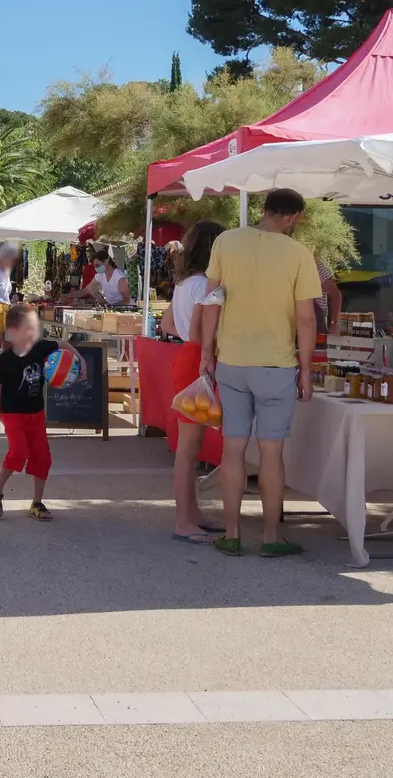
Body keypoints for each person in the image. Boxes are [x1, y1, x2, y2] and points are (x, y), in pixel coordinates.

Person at [197, 188, 319, 558]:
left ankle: (232, 533)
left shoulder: (226, 242)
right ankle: (270, 536)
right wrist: (307, 369)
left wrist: (207, 352)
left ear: (264, 210)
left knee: (232, 449)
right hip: (276, 364)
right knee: (271, 451)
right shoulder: (299, 254)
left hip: (232, 360)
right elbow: (305, 318)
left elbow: (211, 301)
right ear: (293, 217)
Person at [166, 220, 226, 543]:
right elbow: (199, 324)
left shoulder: (185, 283)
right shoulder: (205, 284)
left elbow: (168, 322)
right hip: (196, 361)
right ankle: (183, 520)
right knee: (188, 449)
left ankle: (191, 515)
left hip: (186, 358)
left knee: (189, 446)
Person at [0, 303, 60, 521]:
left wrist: (80, 362)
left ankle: (37, 503)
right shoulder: (6, 360)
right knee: (19, 452)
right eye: (29, 327)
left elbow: (63, 344)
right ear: (13, 332)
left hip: (35, 412)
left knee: (42, 457)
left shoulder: (40, 348)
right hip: (12, 413)